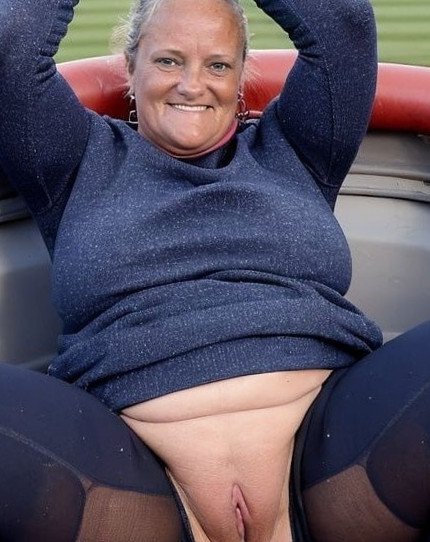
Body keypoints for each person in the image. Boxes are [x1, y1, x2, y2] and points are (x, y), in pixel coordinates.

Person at [0, 0, 429, 540]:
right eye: (168, 60)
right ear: (130, 66)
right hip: (130, 487)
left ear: (241, 76)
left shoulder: (296, 145)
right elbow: (13, 39)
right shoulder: (74, 157)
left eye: (218, 65)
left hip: (339, 461)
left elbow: (342, 23)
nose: (192, 85)